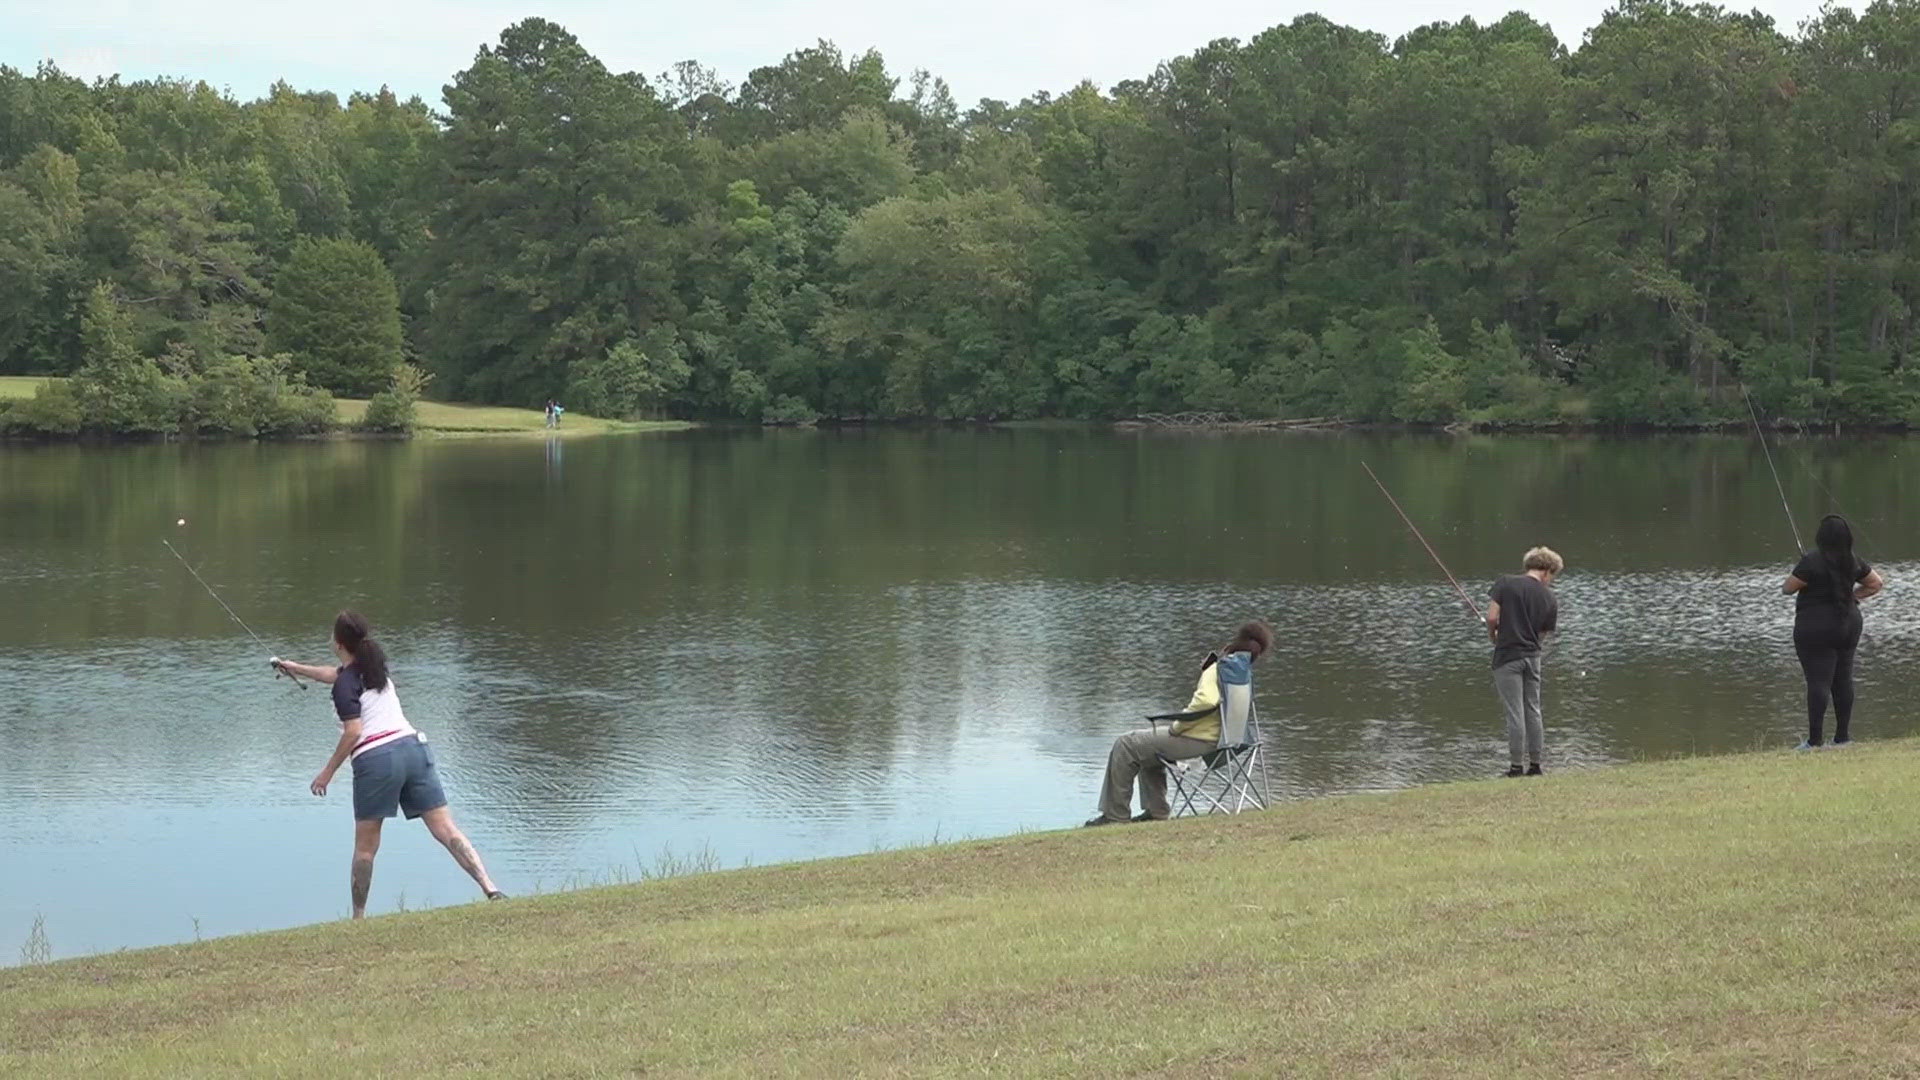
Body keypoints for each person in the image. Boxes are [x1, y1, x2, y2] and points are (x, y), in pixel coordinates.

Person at [274, 612, 505, 917]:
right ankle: (490, 888)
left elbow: (353, 731)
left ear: (339, 643)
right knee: (446, 829)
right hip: (414, 749)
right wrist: (296, 668)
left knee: (366, 847)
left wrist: (327, 773)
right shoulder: (374, 668)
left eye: (332, 635)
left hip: (377, 760)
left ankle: (358, 919)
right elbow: (334, 674)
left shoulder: (345, 685)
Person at [1084, 621, 1273, 826]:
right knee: (1147, 748)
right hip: (1231, 742)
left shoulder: (1219, 668)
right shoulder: (1243, 673)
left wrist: (1178, 726)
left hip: (1202, 741)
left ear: (1235, 641)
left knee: (1126, 744)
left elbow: (1205, 702)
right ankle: (1156, 812)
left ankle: (1115, 817)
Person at [1784, 514, 1883, 749]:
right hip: (1849, 623)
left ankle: (1814, 742)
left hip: (1816, 626)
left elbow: (1788, 588)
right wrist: (1851, 596)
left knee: (1818, 681)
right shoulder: (1853, 560)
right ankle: (1842, 738)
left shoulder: (1812, 561)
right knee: (1843, 678)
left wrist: (1805, 570)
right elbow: (1876, 583)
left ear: (1821, 537)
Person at [1487, 546, 1562, 777]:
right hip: (1533, 658)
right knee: (1533, 709)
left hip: (1507, 657)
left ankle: (1516, 767)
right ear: (1547, 571)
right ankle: (1536, 766)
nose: (1550, 582)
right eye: (1553, 576)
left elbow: (1491, 617)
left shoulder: (1505, 583)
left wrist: (1494, 636)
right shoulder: (1550, 598)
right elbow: (1541, 635)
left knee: (1515, 712)